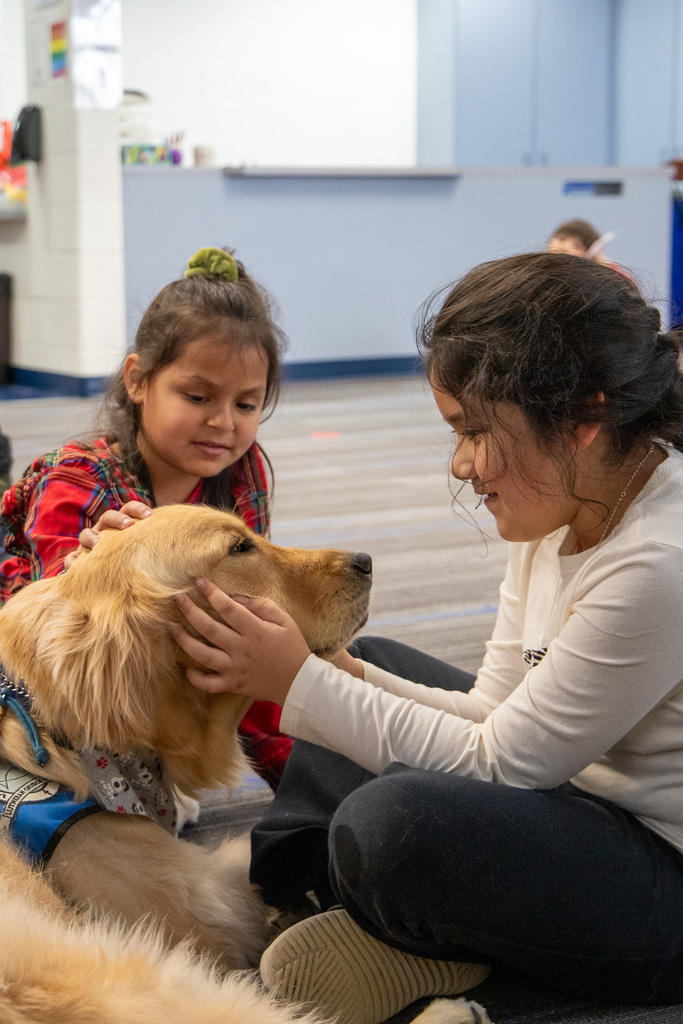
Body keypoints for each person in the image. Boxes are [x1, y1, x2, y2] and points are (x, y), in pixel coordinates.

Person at [169, 252, 683, 1024]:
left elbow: (504, 763)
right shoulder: (560, 507)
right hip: (571, 799)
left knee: (393, 824)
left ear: (581, 419)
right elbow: (494, 708)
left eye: (474, 432)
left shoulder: (657, 560)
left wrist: (302, 685)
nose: (461, 464)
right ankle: (308, 901)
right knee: (364, 668)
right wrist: (337, 676)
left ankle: (476, 974)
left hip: (661, 882)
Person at [0, 246, 293, 790]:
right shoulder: (78, 483)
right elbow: (61, 649)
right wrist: (88, 569)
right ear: (137, 381)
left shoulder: (243, 471)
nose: (223, 422)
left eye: (247, 405)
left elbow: (241, 621)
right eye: (198, 395)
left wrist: (292, 772)